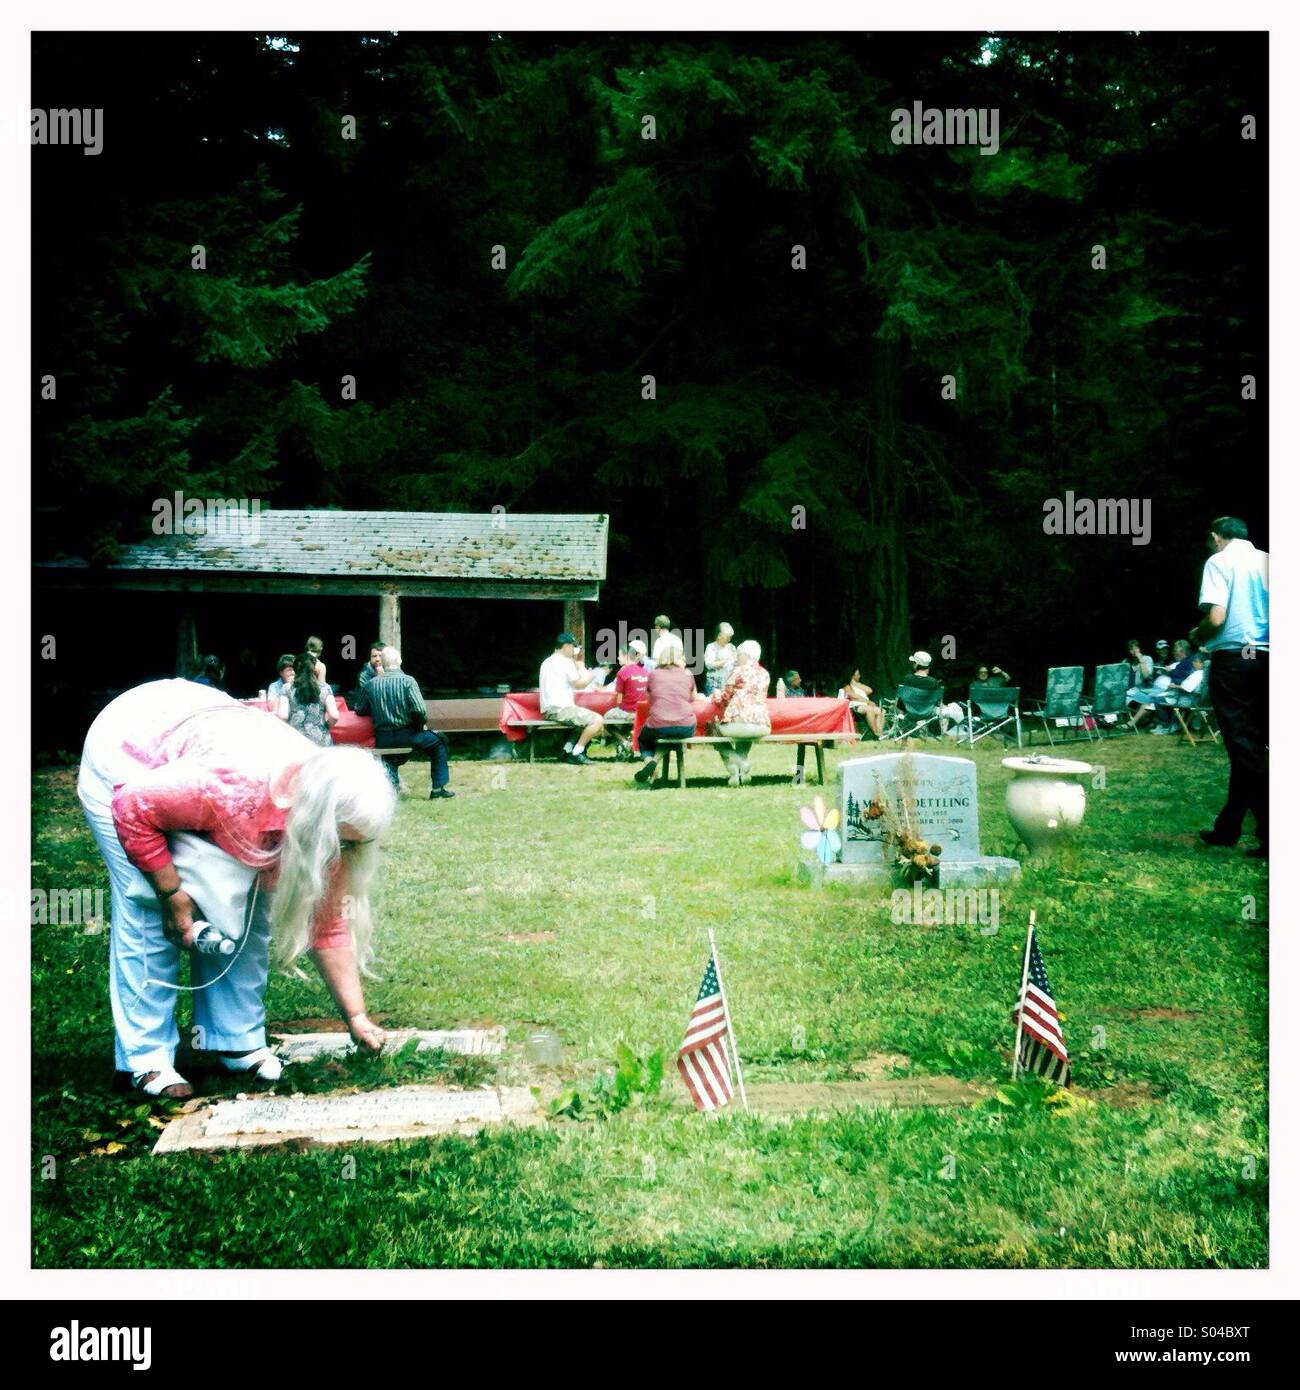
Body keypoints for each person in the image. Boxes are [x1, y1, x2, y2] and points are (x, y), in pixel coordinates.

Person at [77, 679, 397, 1099]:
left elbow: (328, 922)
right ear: (317, 825)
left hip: (195, 738)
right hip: (127, 754)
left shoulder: (328, 806)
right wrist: (172, 893)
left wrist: (355, 1016)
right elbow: (133, 807)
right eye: (345, 843)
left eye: (356, 845)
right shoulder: (230, 790)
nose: (347, 855)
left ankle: (236, 1040)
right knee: (149, 909)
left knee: (246, 911)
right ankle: (145, 1059)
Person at [1192, 516, 1268, 856]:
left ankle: (1272, 831)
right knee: (1254, 745)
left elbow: (1217, 617)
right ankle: (1228, 827)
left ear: (1215, 537)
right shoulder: (1269, 560)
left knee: (1244, 747)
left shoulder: (1219, 561)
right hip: (1269, 657)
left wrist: (1196, 635)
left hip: (1236, 658)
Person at [354, 646, 454, 799]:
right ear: (399, 661)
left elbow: (359, 709)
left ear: (383, 663)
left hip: (383, 738)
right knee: (439, 742)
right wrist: (419, 726)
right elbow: (420, 710)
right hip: (409, 734)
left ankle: (391, 792)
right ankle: (438, 788)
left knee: (389, 758)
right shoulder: (408, 681)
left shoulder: (370, 685)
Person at [633, 637, 703, 784]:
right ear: (679, 658)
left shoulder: (653, 674)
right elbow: (693, 697)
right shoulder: (688, 674)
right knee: (675, 736)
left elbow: (649, 700)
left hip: (659, 725)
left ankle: (649, 762)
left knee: (643, 740)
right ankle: (656, 762)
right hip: (685, 726)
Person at [711, 639, 771, 786]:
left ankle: (735, 762)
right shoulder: (765, 673)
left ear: (747, 656)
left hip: (740, 722)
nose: (737, 658)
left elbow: (725, 699)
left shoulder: (738, 671)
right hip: (762, 725)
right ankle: (739, 774)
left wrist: (716, 694)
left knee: (712, 728)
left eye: (739, 655)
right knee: (745, 734)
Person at [538, 632, 604, 765]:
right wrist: (591, 675)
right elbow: (579, 684)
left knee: (581, 722)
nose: (574, 650)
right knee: (597, 720)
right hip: (561, 709)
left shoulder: (546, 662)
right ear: (566, 646)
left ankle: (566, 750)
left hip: (549, 709)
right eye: (573, 647)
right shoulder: (565, 662)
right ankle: (577, 752)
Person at [277, 649, 340, 747]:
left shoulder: (286, 688)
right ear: (314, 668)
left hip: (296, 743)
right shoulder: (325, 688)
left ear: (295, 669)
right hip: (321, 743)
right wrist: (325, 726)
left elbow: (283, 716)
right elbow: (334, 716)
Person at [900, 651, 964, 734]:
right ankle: (952, 734)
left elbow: (902, 698)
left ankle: (920, 731)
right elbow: (938, 703)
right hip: (928, 713)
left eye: (913, 662)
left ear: (916, 664)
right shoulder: (932, 682)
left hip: (910, 712)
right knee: (955, 710)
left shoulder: (907, 679)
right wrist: (947, 706)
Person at [605, 644, 651, 757]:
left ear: (626, 656)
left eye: (619, 655)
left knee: (605, 720)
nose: (618, 658)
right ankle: (626, 744)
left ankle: (624, 742)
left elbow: (619, 699)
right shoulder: (645, 672)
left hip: (629, 712)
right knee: (624, 721)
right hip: (643, 712)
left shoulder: (623, 672)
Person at [839, 668, 884, 739]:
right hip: (852, 708)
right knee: (869, 709)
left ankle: (879, 734)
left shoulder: (857, 686)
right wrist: (868, 702)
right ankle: (876, 734)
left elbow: (869, 690)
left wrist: (856, 684)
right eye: (858, 674)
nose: (859, 676)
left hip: (862, 707)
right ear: (852, 676)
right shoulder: (846, 686)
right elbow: (853, 696)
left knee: (880, 711)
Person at [703, 623, 737, 696]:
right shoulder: (711, 647)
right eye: (727, 637)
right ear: (719, 636)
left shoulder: (732, 647)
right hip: (714, 684)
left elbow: (736, 663)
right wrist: (726, 660)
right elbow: (709, 664)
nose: (729, 639)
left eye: (730, 637)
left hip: (728, 683)